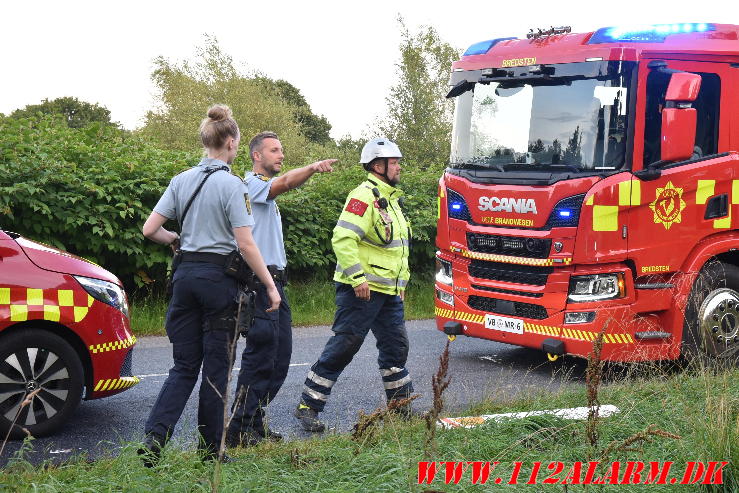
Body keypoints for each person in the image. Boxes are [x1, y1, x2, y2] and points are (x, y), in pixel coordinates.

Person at [139, 105, 280, 465]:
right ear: (231, 143)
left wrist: (175, 239)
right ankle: (209, 451)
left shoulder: (181, 180)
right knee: (216, 368)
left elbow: (149, 229)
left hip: (184, 278)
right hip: (219, 282)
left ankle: (154, 441)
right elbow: (246, 244)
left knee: (184, 366)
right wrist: (270, 285)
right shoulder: (233, 185)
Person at [294, 137, 412, 432]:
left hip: (387, 291)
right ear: (377, 166)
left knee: (396, 348)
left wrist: (402, 283)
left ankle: (400, 408)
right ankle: (308, 405)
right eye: (394, 162)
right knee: (345, 346)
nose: (398, 167)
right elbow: (343, 238)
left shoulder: (391, 200)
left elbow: (397, 247)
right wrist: (357, 278)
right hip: (361, 290)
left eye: (397, 162)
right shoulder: (363, 197)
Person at [226, 132, 336, 446]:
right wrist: (313, 167)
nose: (281, 155)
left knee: (279, 357)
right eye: (274, 150)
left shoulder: (263, 193)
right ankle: (238, 430)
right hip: (259, 284)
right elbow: (285, 182)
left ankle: (255, 422)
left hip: (276, 284)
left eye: (282, 150)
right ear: (256, 156)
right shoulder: (252, 186)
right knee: (261, 356)